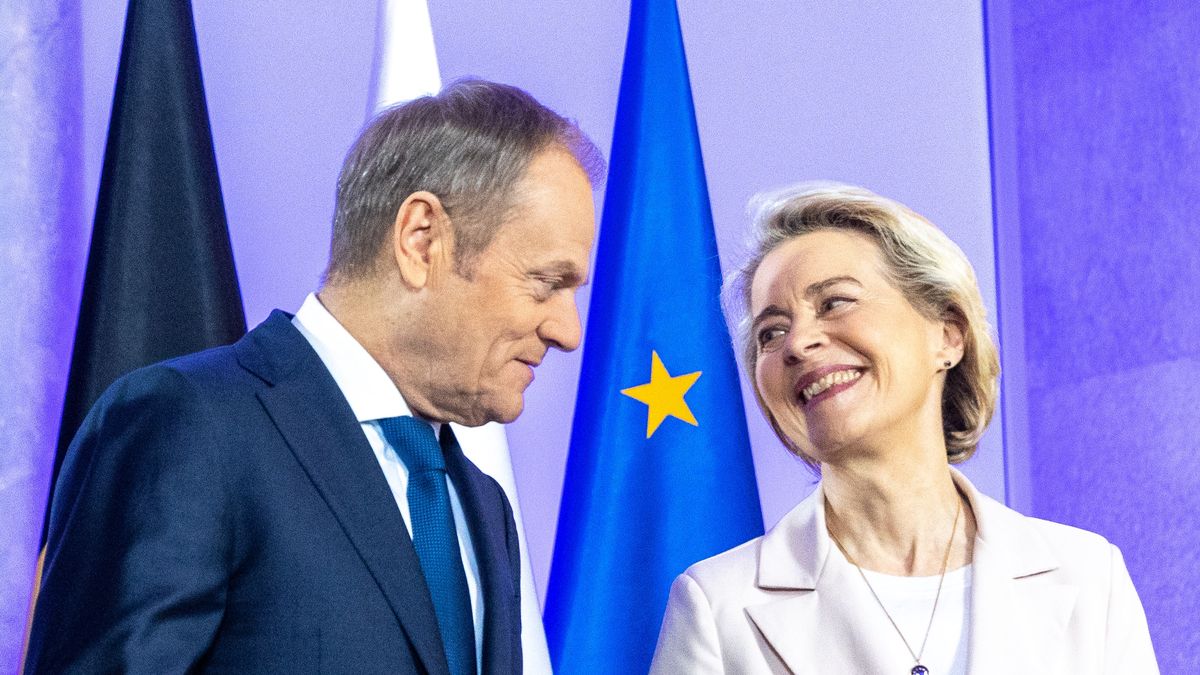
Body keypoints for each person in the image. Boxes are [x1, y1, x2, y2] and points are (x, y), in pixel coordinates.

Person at [25, 79, 604, 674]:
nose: (569, 332)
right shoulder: (187, 426)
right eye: (546, 283)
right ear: (421, 239)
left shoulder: (485, 508)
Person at [649, 182, 1158, 674]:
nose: (798, 343)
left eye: (834, 303)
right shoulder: (717, 606)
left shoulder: (1089, 576)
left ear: (947, 335)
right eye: (771, 332)